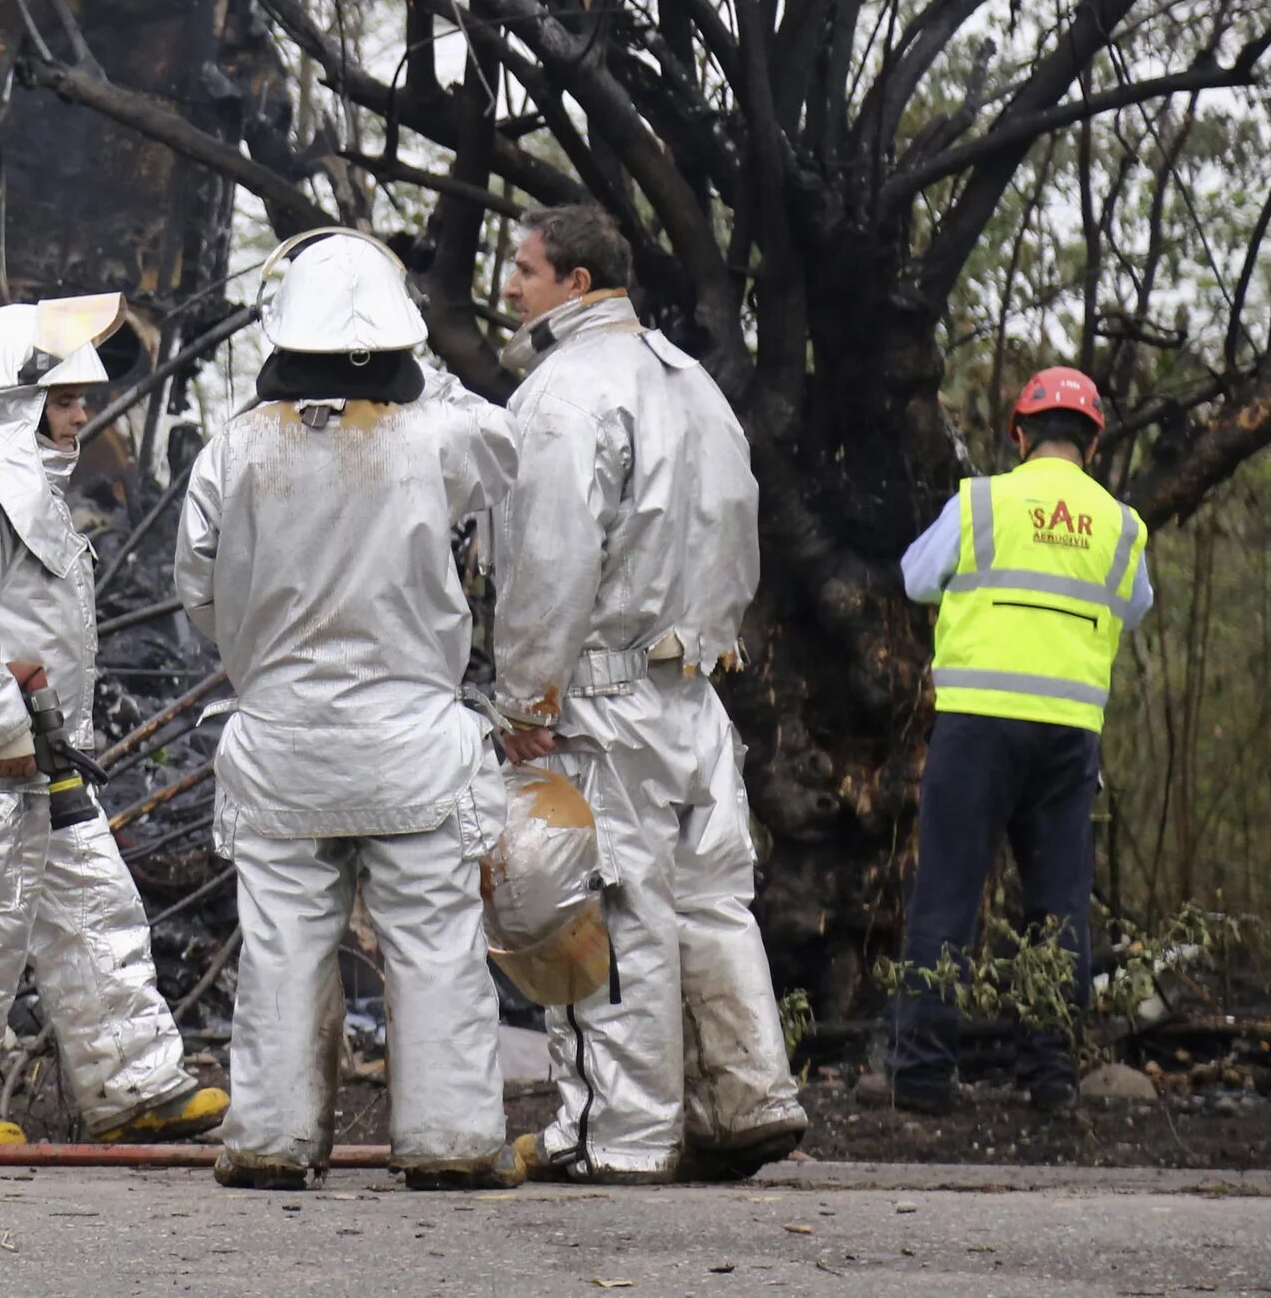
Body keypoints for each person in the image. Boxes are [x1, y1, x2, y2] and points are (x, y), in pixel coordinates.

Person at [175, 232, 519, 1191]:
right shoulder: (439, 434)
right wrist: (435, 379)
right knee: (437, 945)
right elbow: (507, 445)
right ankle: (451, 1141)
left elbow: (197, 590)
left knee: (283, 946)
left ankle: (273, 1140)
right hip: (413, 741)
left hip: (280, 739)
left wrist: (262, 657)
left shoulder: (233, 449)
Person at [492, 205, 808, 1184]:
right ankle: (744, 1095)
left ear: (576, 283)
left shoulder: (561, 393)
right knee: (712, 897)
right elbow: (736, 531)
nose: (510, 284)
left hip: (602, 687)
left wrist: (526, 699)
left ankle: (616, 1133)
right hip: (695, 689)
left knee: (608, 899)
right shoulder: (696, 384)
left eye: (526, 267)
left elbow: (548, 559)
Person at [0, 293, 227, 1146]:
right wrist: (2, 729)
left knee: (94, 910)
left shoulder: (18, 482)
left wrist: (31, 736)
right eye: (66, 401)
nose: (80, 417)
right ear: (13, 399)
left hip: (37, 754)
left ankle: (134, 1088)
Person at [885, 367, 1151, 1116]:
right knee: (1060, 909)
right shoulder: (1120, 524)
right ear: (1093, 444)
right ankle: (1051, 1078)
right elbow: (1135, 606)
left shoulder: (982, 503)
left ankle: (924, 1079)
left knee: (947, 896)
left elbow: (914, 579)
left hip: (976, 727)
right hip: (1069, 738)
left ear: (1020, 434)